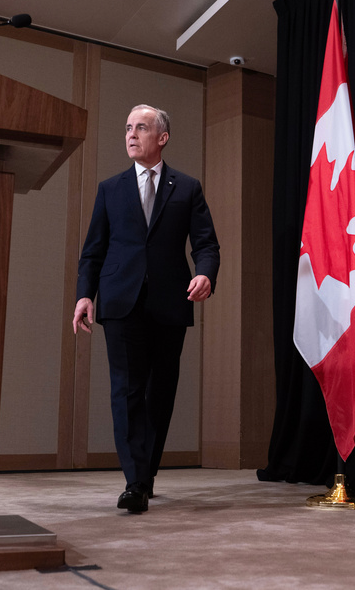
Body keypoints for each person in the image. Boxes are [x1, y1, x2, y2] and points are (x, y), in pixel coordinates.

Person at [73, 104, 220, 513]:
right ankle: (134, 481)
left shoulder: (186, 188)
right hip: (120, 302)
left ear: (162, 138)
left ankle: (146, 472)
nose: (131, 134)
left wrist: (206, 274)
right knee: (126, 389)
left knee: (160, 393)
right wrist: (85, 294)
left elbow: (206, 244)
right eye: (127, 128)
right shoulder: (110, 189)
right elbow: (93, 252)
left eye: (140, 127)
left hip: (171, 303)